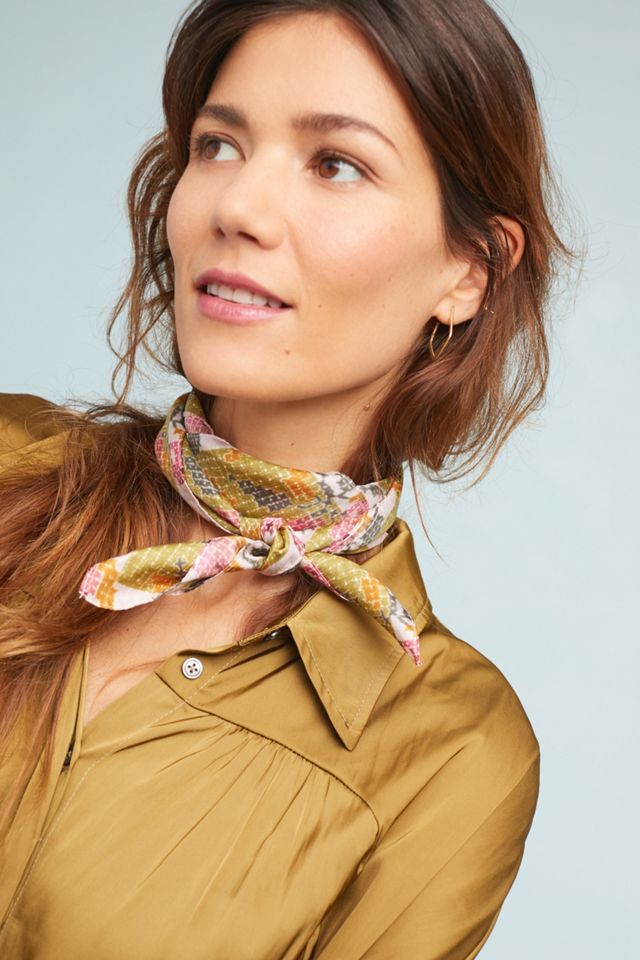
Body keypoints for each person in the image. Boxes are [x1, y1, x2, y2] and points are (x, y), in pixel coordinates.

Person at [0, 1, 581, 957]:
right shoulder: (10, 458)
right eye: (219, 145)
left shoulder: (456, 750)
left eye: (335, 164)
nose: (237, 206)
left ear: (470, 270)